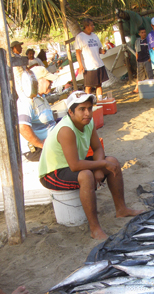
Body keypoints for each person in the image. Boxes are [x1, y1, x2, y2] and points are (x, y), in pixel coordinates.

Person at [38, 91, 143, 240]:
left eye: (89, 108)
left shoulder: (88, 122)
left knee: (112, 161)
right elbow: (74, 166)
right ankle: (94, 228)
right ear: (71, 112)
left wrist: (100, 167)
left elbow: (98, 148)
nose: (87, 113)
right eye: (82, 109)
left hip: (73, 163)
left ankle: (121, 209)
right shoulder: (66, 129)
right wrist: (100, 164)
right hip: (53, 172)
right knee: (86, 175)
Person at [18, 66, 57, 161]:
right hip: (36, 151)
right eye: (48, 80)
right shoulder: (26, 101)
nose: (51, 82)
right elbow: (23, 128)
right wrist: (42, 145)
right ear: (37, 82)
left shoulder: (41, 97)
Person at [75, 18, 109, 101]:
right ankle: (88, 103)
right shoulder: (80, 37)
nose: (93, 26)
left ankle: (100, 101)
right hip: (88, 66)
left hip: (98, 64)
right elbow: (77, 52)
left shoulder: (95, 36)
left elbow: (99, 49)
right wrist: (80, 65)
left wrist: (103, 51)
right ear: (86, 26)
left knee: (99, 84)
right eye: (92, 25)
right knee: (88, 86)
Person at [132, 27, 154, 94]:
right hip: (140, 61)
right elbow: (136, 51)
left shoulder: (148, 40)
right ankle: (137, 89)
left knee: (149, 74)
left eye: (144, 32)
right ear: (139, 34)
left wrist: (150, 59)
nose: (144, 34)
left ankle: (152, 88)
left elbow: (152, 50)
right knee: (139, 76)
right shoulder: (137, 41)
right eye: (142, 32)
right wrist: (137, 59)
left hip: (147, 60)